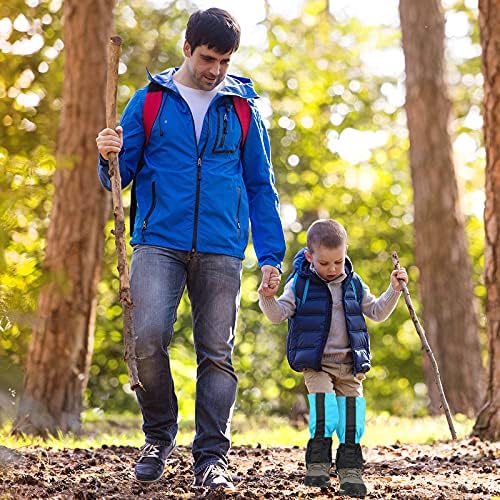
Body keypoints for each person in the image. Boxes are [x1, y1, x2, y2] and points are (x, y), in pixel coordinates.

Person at [96, 8, 285, 489]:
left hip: (222, 247)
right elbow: (119, 178)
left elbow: (261, 187)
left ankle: (211, 456)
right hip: (158, 241)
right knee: (148, 338)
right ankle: (159, 436)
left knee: (216, 352)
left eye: (224, 60)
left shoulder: (243, 109)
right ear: (186, 48)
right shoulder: (150, 102)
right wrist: (108, 155)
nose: (215, 70)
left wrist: (269, 256)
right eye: (207, 57)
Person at [258, 219, 408, 497]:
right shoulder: (299, 284)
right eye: (324, 263)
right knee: (325, 411)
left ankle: (350, 469)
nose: (332, 269)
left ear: (345, 253)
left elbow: (376, 312)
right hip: (317, 363)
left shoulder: (354, 283)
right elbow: (277, 314)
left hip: (351, 364)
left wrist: (394, 291)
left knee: (352, 419)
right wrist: (267, 297)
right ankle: (317, 465)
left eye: (338, 262)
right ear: (309, 257)